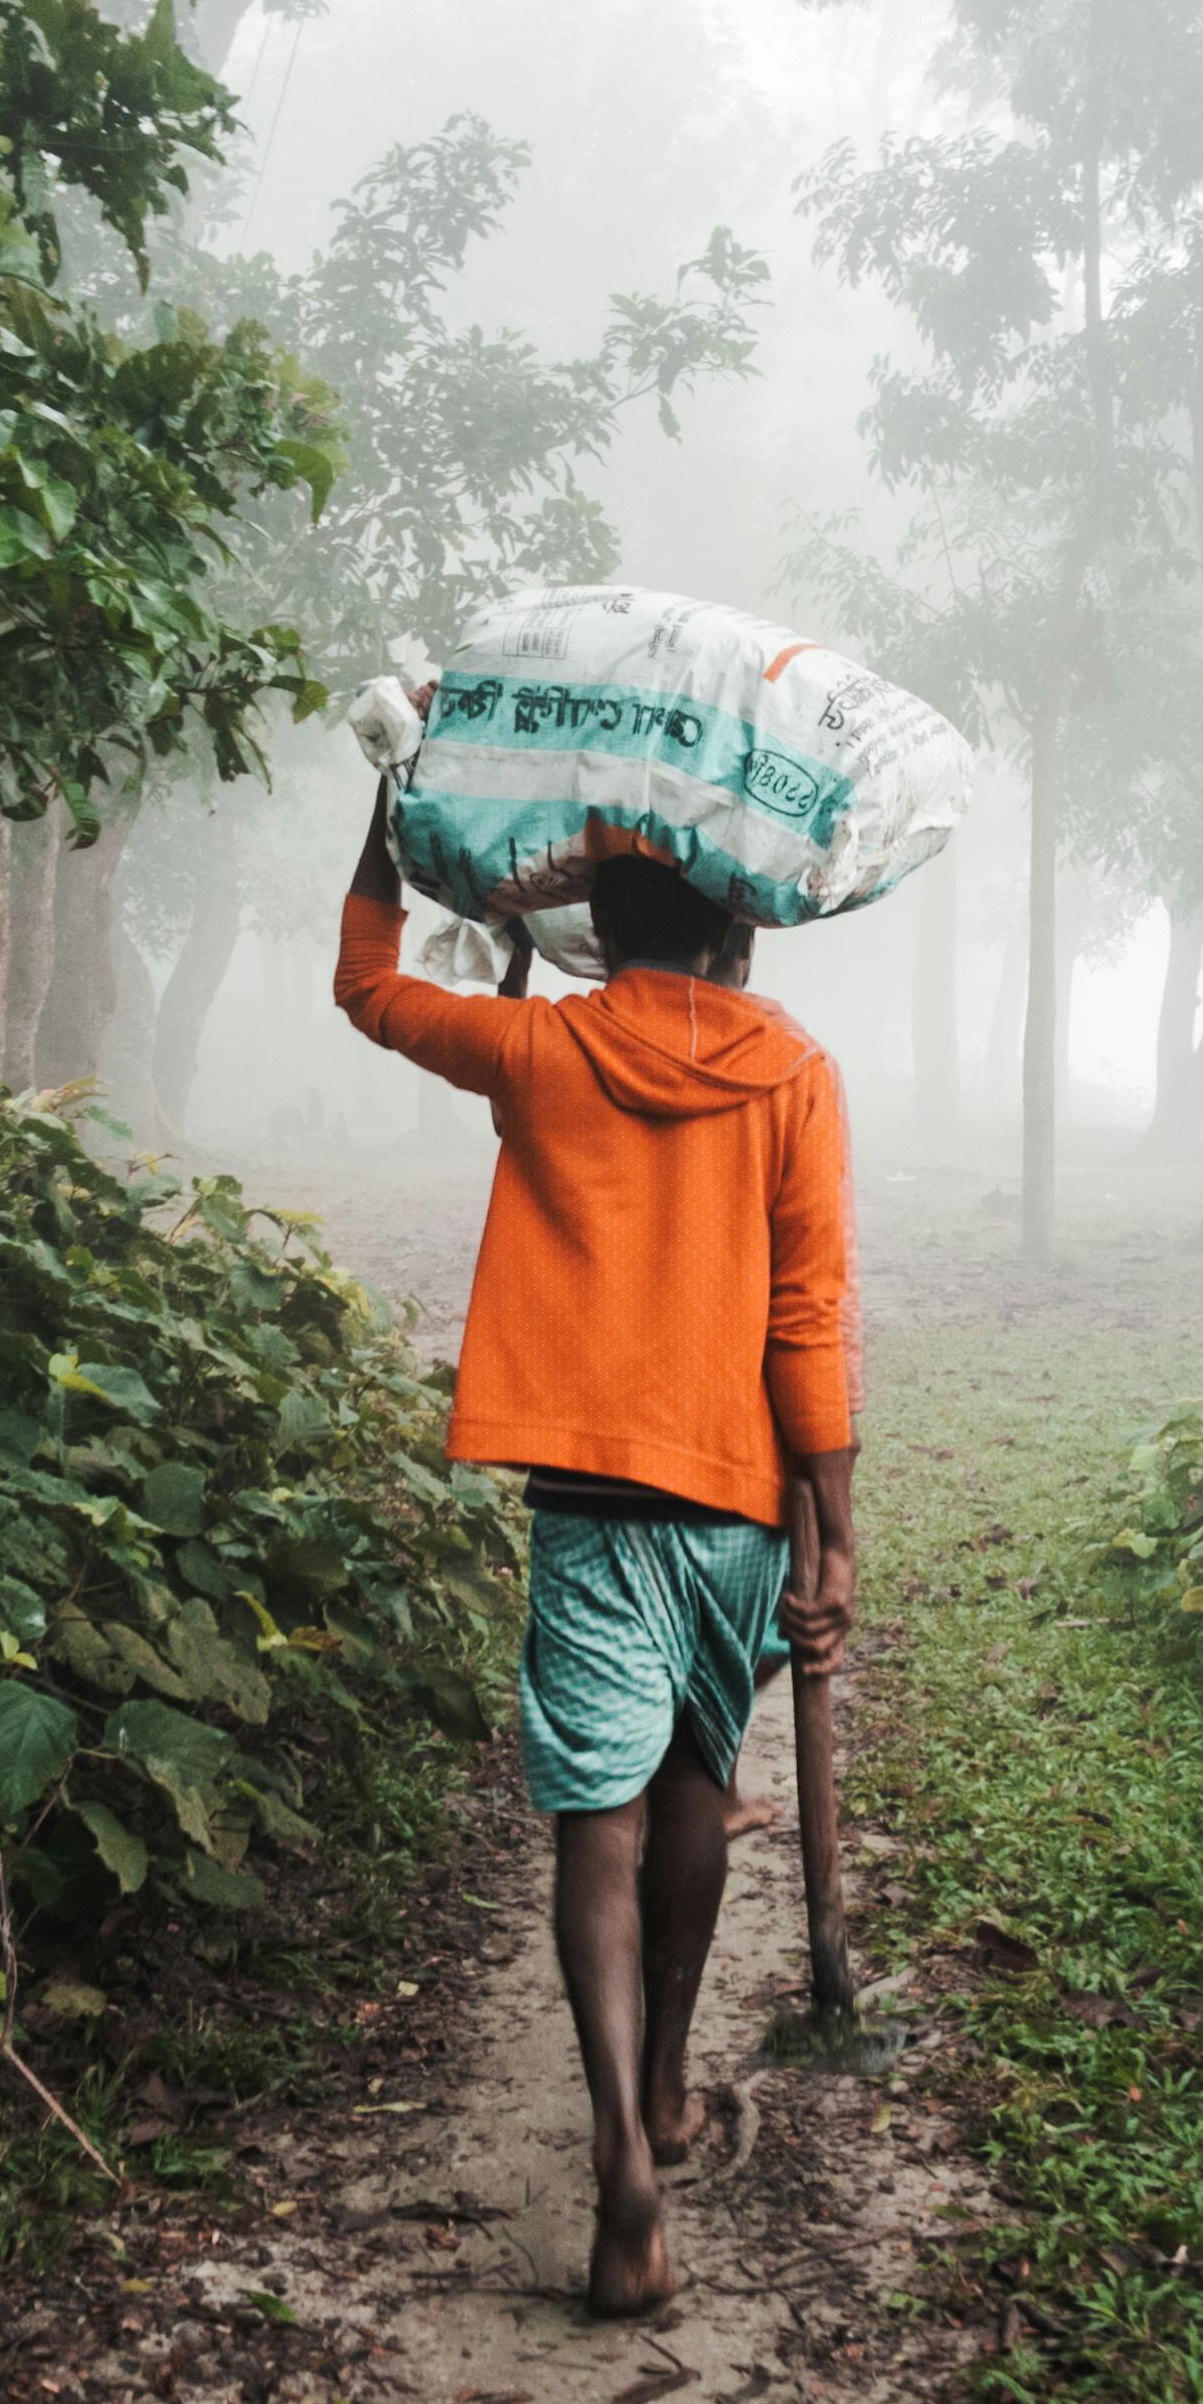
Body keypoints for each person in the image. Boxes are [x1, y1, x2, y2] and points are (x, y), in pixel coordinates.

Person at [334, 790, 859, 2317]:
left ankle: (621, 2140)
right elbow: (809, 1313)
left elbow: (369, 987)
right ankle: (680, 2084)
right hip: (737, 1501)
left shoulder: (547, 1052)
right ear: (735, 926)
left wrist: (388, 819)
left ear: (597, 931)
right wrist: (835, 1528)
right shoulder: (796, 1074)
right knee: (699, 1780)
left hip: (590, 1502)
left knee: (596, 1827)